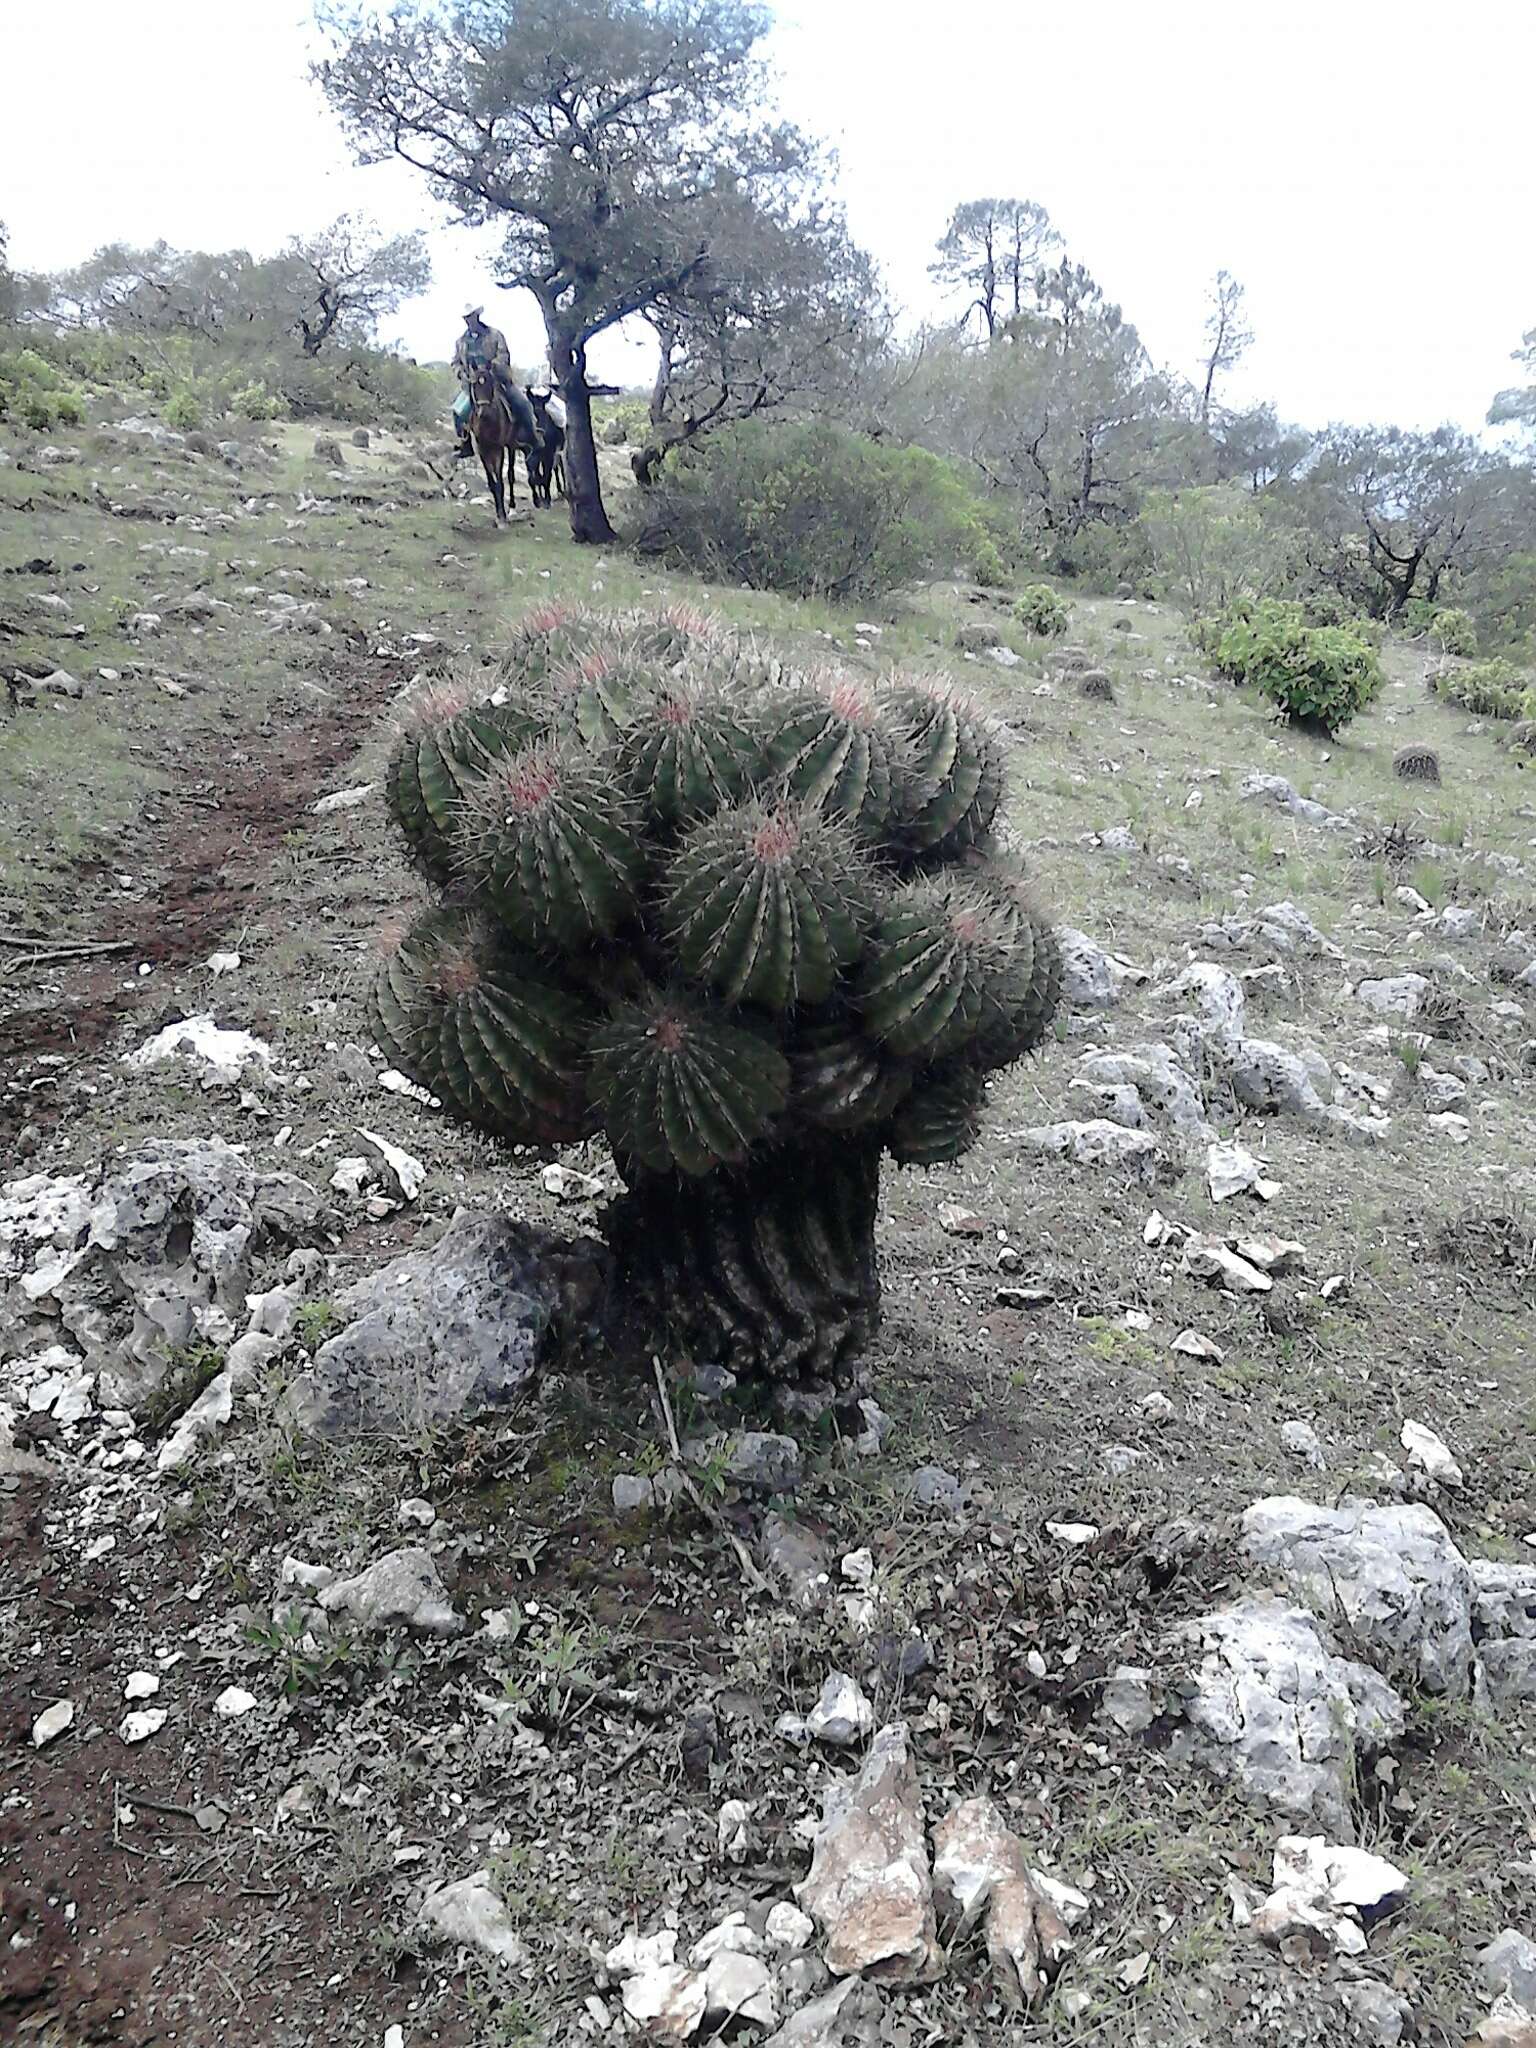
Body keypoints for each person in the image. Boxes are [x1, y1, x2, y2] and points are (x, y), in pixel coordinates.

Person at [451, 305, 538, 456]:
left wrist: (492, 367)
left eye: (471, 316)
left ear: (477, 316)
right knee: (457, 411)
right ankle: (465, 444)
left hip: (498, 381)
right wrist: (461, 373)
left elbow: (504, 355)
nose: (469, 320)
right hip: (473, 384)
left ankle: (531, 438)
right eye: (466, 318)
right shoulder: (461, 342)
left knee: (523, 404)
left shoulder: (495, 335)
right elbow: (455, 362)